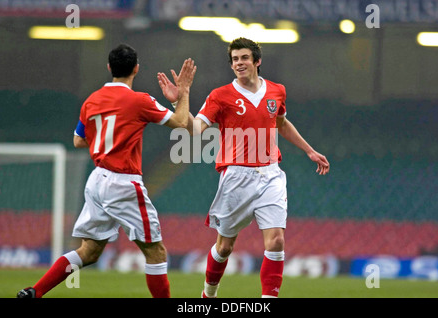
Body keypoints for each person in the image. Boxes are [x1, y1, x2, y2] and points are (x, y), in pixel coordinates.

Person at [17, 44, 196, 298]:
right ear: (136, 69)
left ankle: (34, 291)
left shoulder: (92, 100)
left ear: (109, 68)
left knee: (89, 251)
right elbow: (180, 123)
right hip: (123, 182)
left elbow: (78, 140)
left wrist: (107, 139)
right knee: (156, 252)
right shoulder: (140, 101)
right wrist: (184, 92)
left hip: (97, 180)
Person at [192, 37, 329, 298]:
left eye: (244, 58)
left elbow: (281, 124)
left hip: (271, 173)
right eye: (234, 59)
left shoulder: (277, 91)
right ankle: (208, 294)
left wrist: (309, 150)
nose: (239, 63)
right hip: (236, 177)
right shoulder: (220, 96)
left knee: (276, 240)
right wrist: (181, 103)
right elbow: (196, 129)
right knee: (224, 247)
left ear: (257, 61)